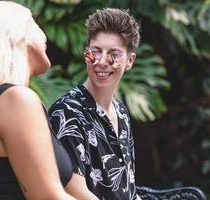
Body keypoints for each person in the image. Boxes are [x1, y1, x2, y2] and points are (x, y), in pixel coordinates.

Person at [0, 1, 97, 199]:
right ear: (17, 34)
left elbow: (69, 189)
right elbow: (47, 196)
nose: (44, 35)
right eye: (33, 23)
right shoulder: (15, 100)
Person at [49, 8, 142, 200]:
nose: (101, 61)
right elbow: (74, 191)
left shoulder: (122, 112)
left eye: (113, 55)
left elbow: (128, 190)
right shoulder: (67, 112)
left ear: (130, 61)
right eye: (95, 52)